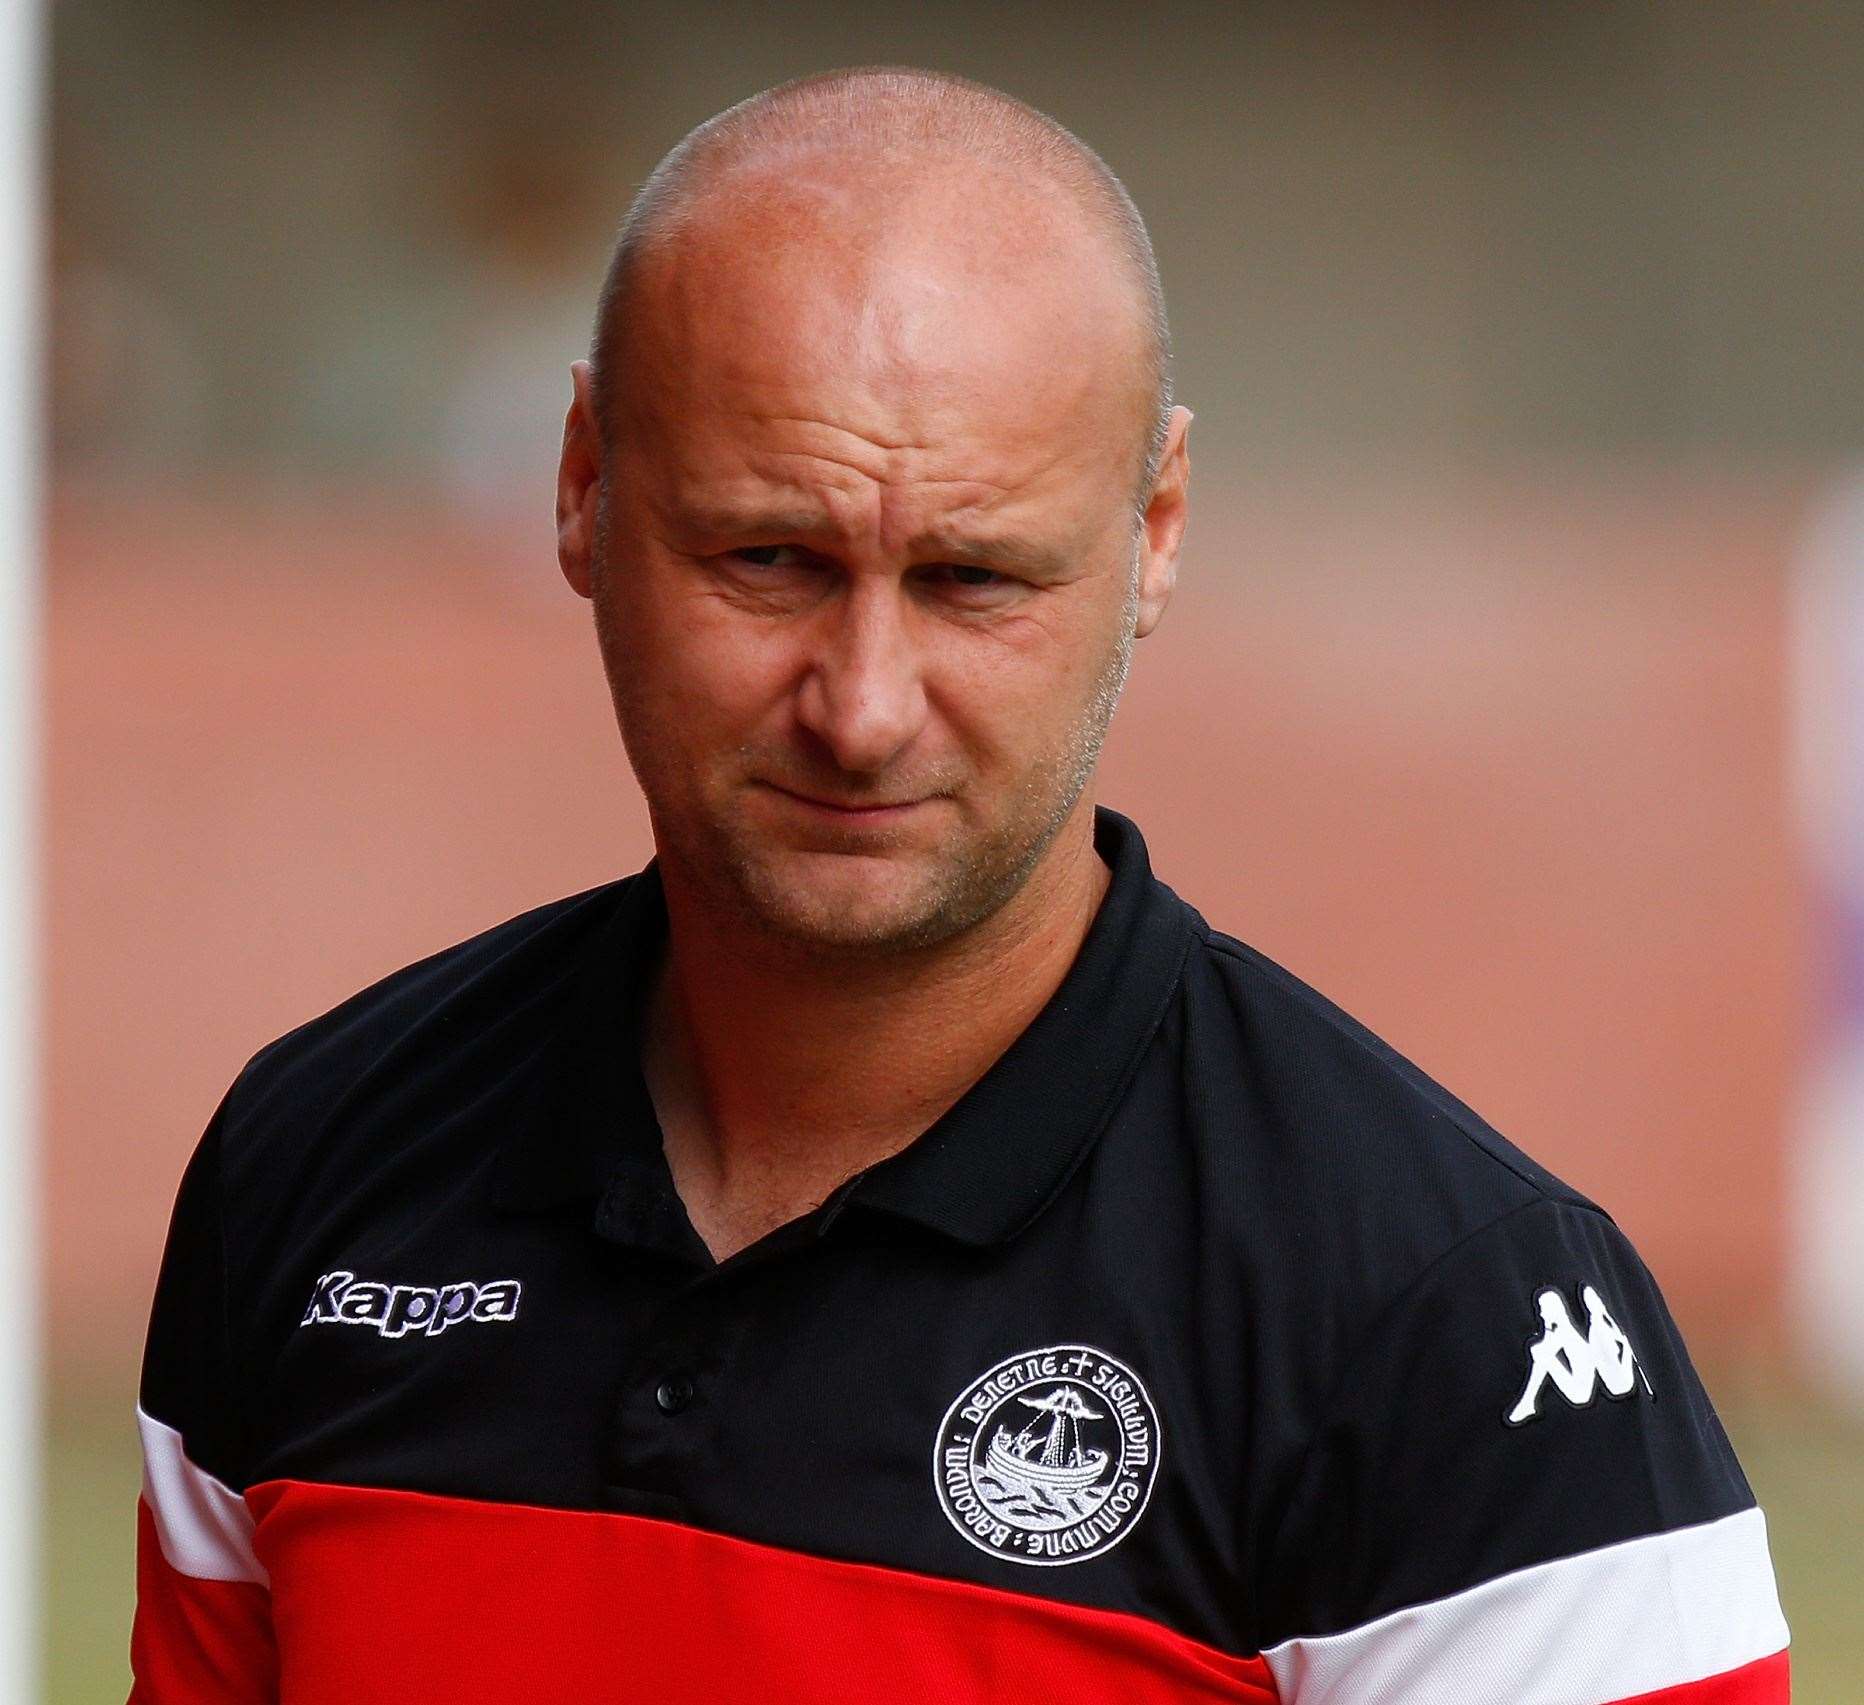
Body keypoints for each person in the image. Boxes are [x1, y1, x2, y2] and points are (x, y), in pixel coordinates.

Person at [128, 68, 1791, 1703]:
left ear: (1155, 529)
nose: (860, 705)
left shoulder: (1448, 1319)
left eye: (974, 578)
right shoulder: (313, 1163)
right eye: (767, 558)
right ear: (581, 483)